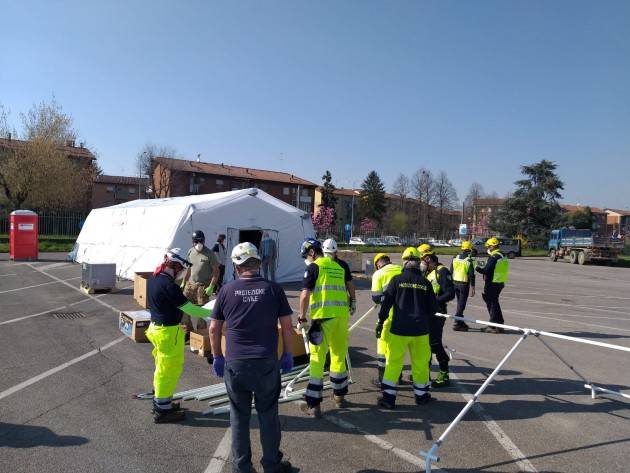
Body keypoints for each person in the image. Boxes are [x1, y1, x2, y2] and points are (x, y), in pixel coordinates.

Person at [209, 242, 295, 473]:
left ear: (237, 266)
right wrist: (287, 353)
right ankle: (271, 464)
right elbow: (287, 327)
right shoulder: (273, 289)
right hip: (266, 363)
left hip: (236, 364)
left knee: (239, 416)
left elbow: (214, 329)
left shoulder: (226, 291)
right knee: (268, 414)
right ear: (257, 263)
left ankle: (242, 467)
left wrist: (217, 356)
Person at [145, 249, 212, 423]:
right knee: (169, 370)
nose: (181, 273)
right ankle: (162, 410)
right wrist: (213, 311)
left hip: (156, 329)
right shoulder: (169, 286)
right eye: (180, 269)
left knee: (161, 366)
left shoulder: (153, 280)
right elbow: (190, 309)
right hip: (168, 333)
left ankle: (163, 401)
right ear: (173, 266)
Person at [376, 247, 437, 409]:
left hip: (399, 329)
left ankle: (388, 398)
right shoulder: (425, 283)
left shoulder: (396, 280)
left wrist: (380, 322)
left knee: (394, 363)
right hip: (420, 331)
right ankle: (421, 396)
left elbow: (386, 304)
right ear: (419, 263)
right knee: (421, 364)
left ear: (404, 262)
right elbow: (433, 309)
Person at [297, 238, 350, 417]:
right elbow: (349, 286)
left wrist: (301, 317)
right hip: (341, 318)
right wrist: (354, 302)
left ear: (312, 252)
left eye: (306, 255)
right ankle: (339, 397)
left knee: (317, 360)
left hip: (322, 320)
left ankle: (313, 404)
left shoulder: (314, 267)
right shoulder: (339, 266)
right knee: (338, 357)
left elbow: (304, 295)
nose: (307, 259)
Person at [423, 252, 455, 388]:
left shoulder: (442, 271)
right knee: (425, 343)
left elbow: (450, 293)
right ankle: (425, 373)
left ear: (430, 261)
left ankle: (444, 373)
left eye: (424, 262)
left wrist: (434, 301)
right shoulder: (428, 273)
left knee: (434, 343)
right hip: (427, 312)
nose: (422, 265)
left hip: (438, 312)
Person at [370, 253, 402, 385]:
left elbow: (376, 298)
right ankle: (397, 376)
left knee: (382, 346)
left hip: (387, 316)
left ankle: (382, 378)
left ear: (378, 264)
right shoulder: (401, 269)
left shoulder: (378, 274)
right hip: (403, 316)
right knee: (397, 348)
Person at [181, 230, 220, 336]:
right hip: (190, 285)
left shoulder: (209, 254)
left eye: (200, 242)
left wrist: (211, 286)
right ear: (192, 242)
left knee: (202, 312)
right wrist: (184, 282)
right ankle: (186, 332)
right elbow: (188, 268)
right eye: (195, 242)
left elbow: (216, 271)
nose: (198, 244)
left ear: (203, 241)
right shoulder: (190, 251)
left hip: (203, 287)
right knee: (184, 307)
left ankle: (200, 335)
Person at [475, 237, 509, 333]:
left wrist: (477, 268)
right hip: (500, 282)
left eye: (489, 246)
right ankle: (499, 324)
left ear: (493, 246)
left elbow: (486, 270)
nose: (488, 248)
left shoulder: (494, 257)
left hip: (492, 283)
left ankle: (493, 324)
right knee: (495, 303)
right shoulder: (502, 255)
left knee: (492, 303)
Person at [322, 238, 357, 316]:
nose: (329, 256)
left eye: (330, 253)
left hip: (331, 306)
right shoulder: (342, 265)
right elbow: (349, 283)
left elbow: (349, 283)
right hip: (330, 307)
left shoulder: (342, 265)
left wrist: (353, 300)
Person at [450, 240, 476, 331]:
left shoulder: (455, 257)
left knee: (459, 302)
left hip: (455, 283)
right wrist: (473, 287)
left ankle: (460, 321)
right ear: (469, 249)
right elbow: (471, 275)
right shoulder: (468, 260)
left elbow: (451, 271)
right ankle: (457, 320)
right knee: (462, 303)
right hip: (463, 284)